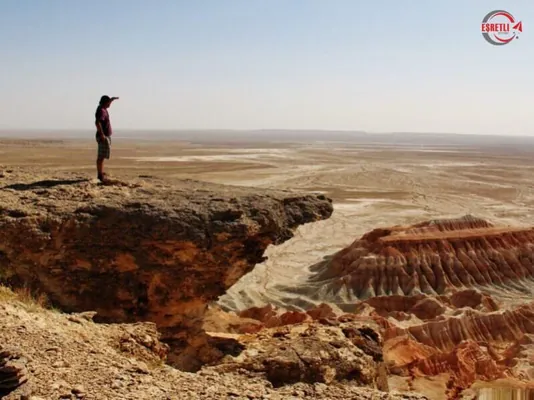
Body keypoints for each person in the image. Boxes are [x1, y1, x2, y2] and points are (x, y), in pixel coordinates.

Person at [95, 95, 119, 182]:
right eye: (108, 102)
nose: (110, 104)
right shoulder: (101, 111)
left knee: (103, 156)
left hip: (105, 135)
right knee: (101, 156)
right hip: (103, 136)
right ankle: (100, 175)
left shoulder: (103, 108)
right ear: (105, 103)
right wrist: (102, 135)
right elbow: (97, 122)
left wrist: (112, 99)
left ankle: (101, 173)